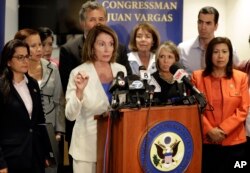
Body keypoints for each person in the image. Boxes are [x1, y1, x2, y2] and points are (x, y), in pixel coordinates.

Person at [59, 2, 131, 169]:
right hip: (86, 149)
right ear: (92, 47)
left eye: (111, 44)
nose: (107, 49)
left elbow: (126, 104)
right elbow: (70, 115)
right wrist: (79, 92)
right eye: (101, 44)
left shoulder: (120, 70)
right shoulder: (78, 72)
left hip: (116, 144)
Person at [191, 37, 249, 173]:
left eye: (224, 51)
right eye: (216, 52)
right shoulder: (197, 77)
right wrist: (209, 130)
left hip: (235, 143)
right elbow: (193, 108)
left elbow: (243, 109)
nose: (220, 56)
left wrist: (222, 130)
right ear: (209, 54)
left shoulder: (241, 78)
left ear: (230, 54)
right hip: (206, 142)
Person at [14, 29, 65, 173]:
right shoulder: (16, 71)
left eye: (40, 45)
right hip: (24, 134)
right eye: (33, 46)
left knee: (50, 169)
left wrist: (59, 131)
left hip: (49, 131)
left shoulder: (52, 68)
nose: (39, 49)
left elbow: (59, 102)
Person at [0, 39, 49, 173]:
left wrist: (45, 152)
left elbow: (40, 121)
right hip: (11, 157)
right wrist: (1, 162)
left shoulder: (32, 84)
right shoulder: (2, 87)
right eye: (20, 57)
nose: (25, 61)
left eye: (27, 56)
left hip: (35, 155)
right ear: (8, 61)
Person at [178, 6, 239, 74]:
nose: (203, 27)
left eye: (208, 23)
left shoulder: (229, 50)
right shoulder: (183, 49)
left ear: (216, 26)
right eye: (200, 22)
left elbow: (235, 75)